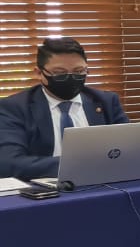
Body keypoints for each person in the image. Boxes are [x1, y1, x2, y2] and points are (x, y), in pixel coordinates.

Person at [0, 37, 130, 179]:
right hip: (45, 187)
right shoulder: (14, 108)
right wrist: (76, 166)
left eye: (79, 71)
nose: (71, 78)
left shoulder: (107, 102)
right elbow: (9, 163)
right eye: (60, 73)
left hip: (103, 182)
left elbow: (130, 149)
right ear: (39, 73)